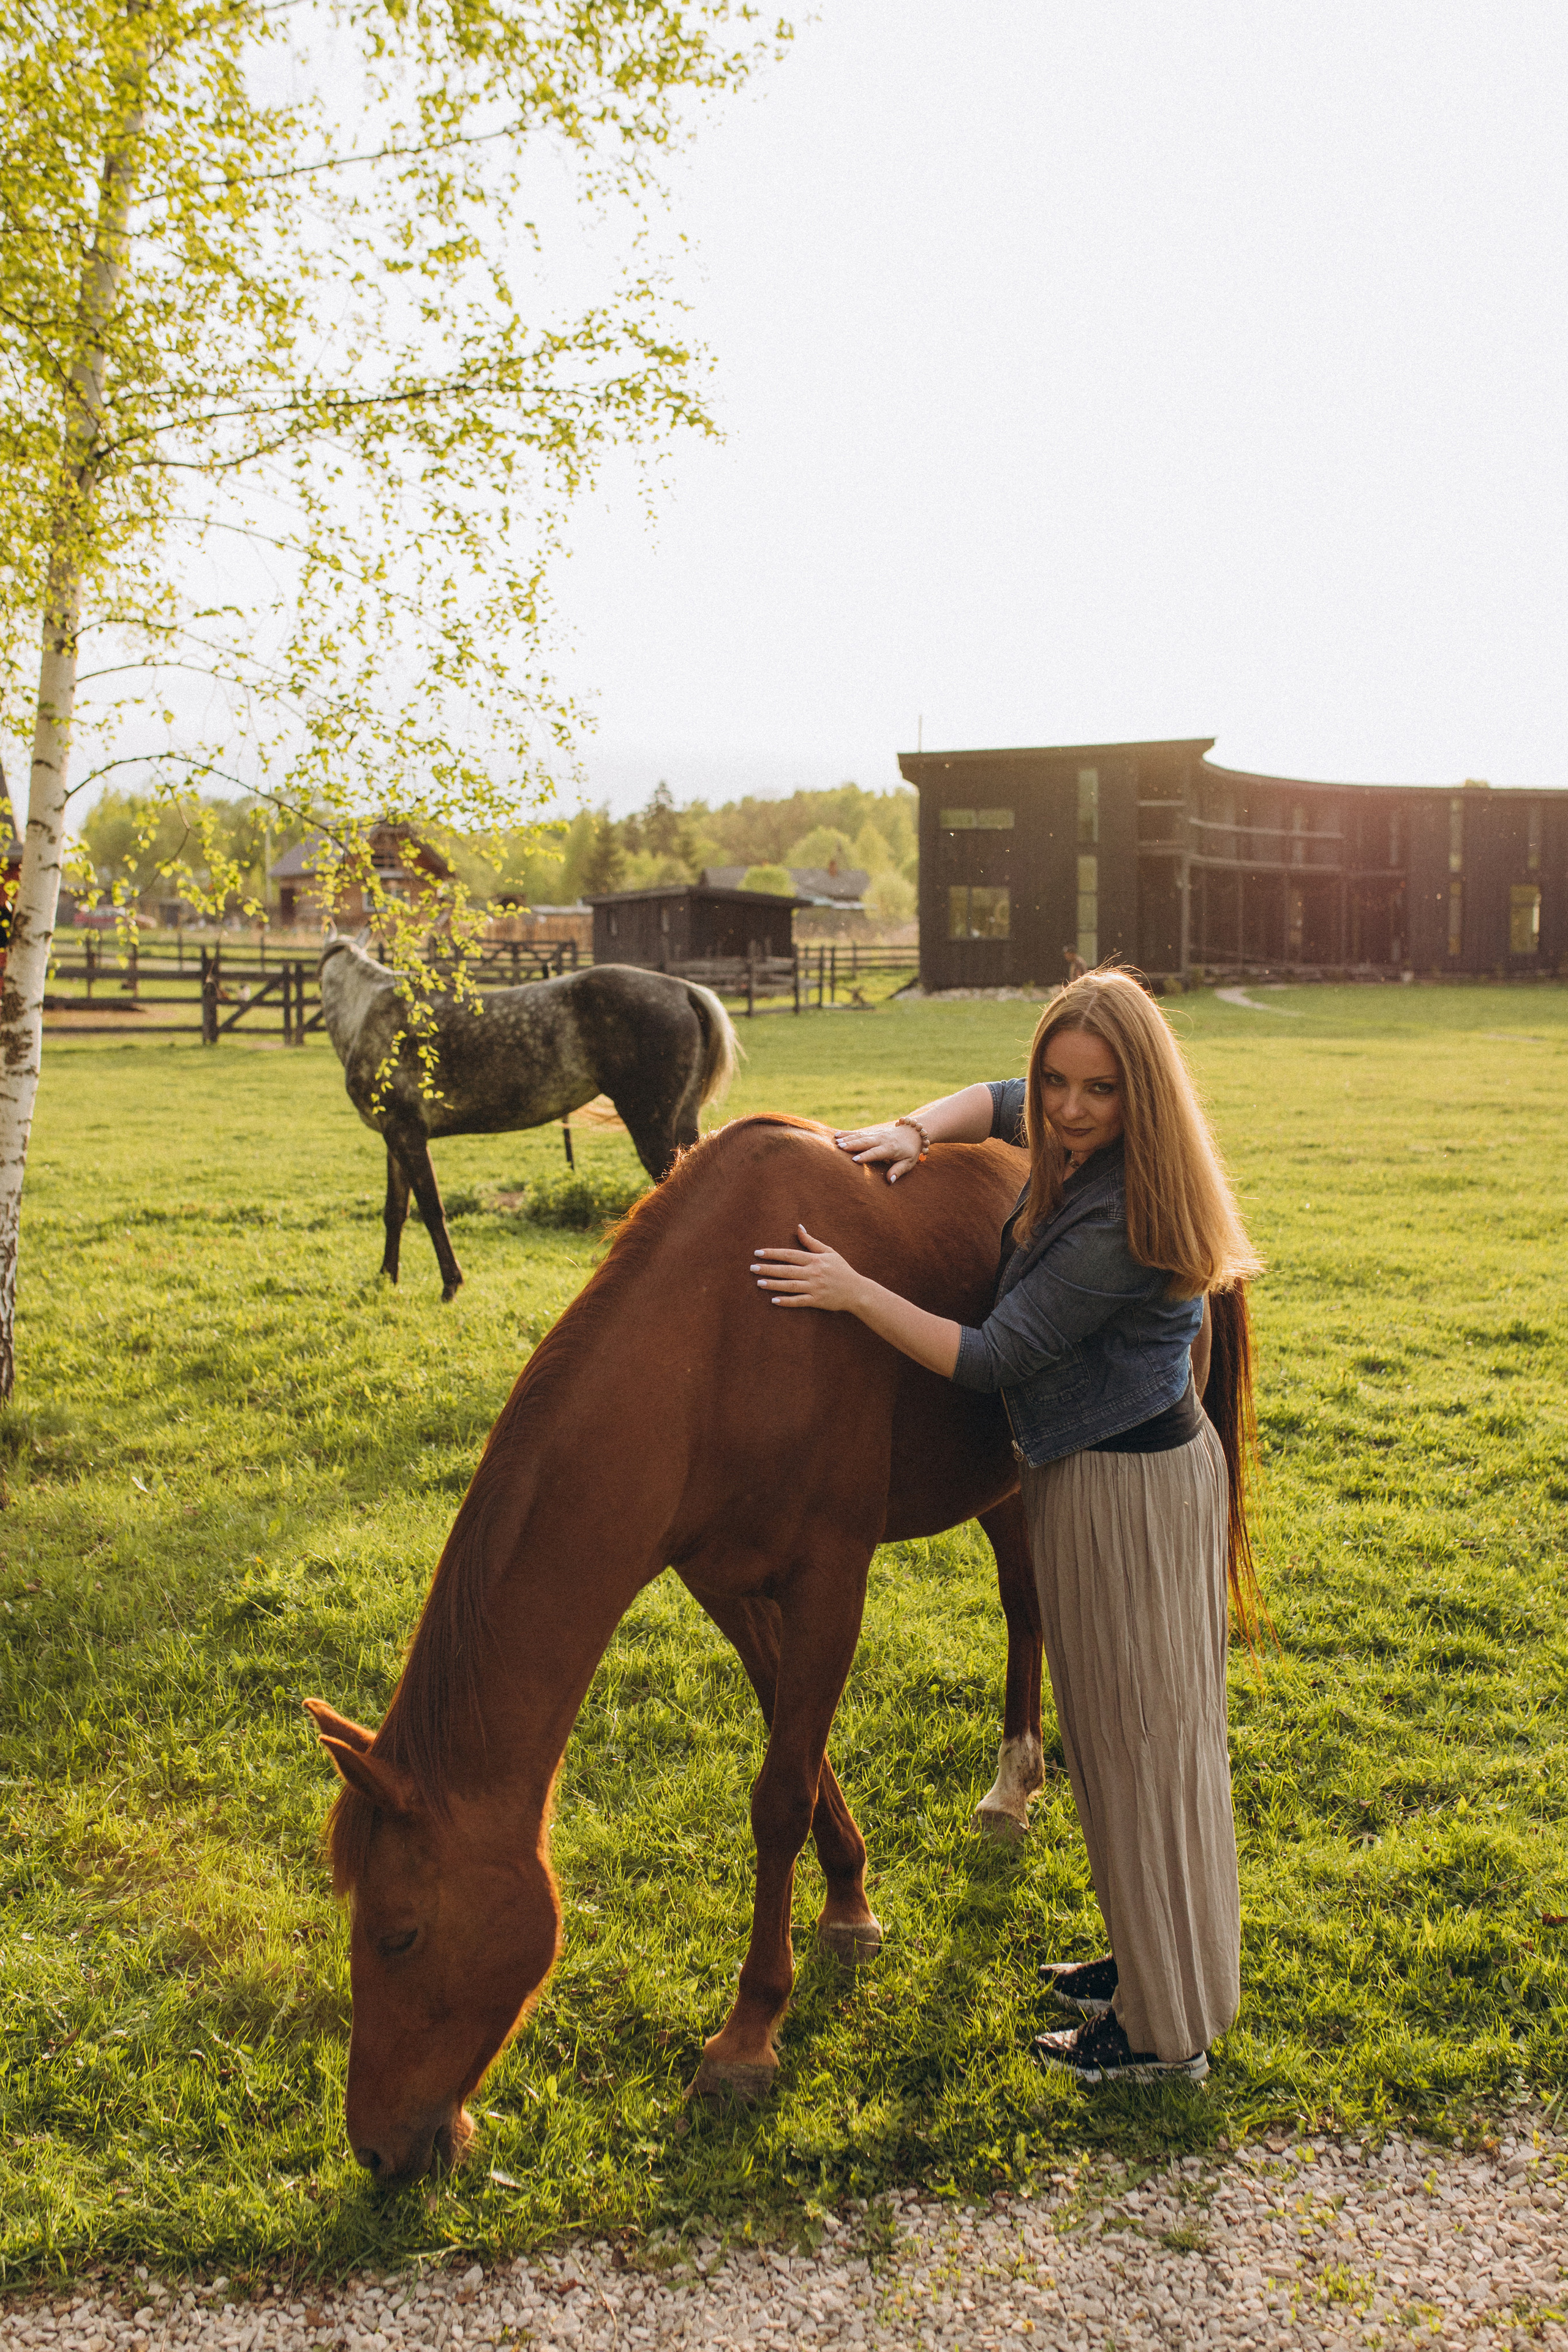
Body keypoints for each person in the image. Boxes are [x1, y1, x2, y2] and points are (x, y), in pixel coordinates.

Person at [748, 968, 1262, 2084]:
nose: (1069, 1110)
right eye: (1060, 1082)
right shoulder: (1091, 1134)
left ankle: (1162, 2037)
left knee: (1138, 1750)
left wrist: (851, 1289)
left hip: (1125, 1492)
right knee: (1139, 1744)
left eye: (1099, 1090)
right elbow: (997, 1097)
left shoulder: (1121, 1218)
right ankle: (1159, 1968)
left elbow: (993, 1358)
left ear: (1143, 1095)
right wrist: (908, 1130)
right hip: (1109, 1473)